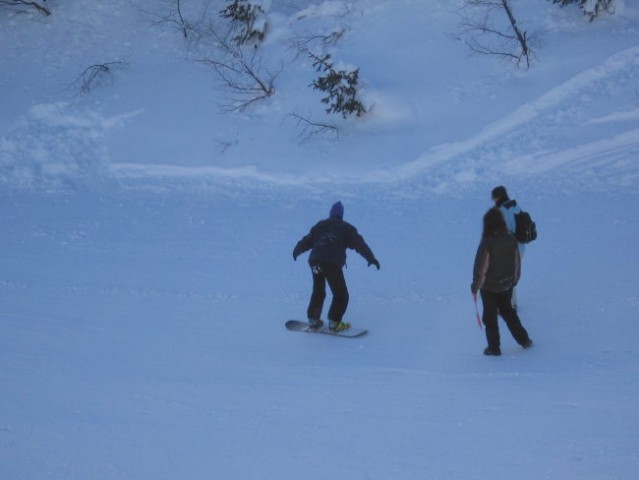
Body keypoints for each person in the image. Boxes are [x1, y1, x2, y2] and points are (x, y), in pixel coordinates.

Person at [293, 201, 380, 332]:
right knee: (341, 295)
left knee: (319, 291)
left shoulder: (320, 225)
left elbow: (307, 240)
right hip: (330, 263)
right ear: (341, 215)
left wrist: (297, 250)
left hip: (315, 261)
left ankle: (313, 320)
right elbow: (359, 244)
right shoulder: (346, 228)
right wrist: (370, 258)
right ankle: (334, 322)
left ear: (331, 214)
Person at [471, 207, 532, 356]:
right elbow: (516, 262)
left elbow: (482, 268)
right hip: (507, 285)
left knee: (490, 318)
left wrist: (475, 286)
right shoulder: (511, 239)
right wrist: (514, 281)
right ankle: (524, 340)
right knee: (509, 313)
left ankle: (494, 348)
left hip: (489, 288)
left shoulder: (487, 243)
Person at [491, 185, 525, 309]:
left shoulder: (501, 211)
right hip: (521, 247)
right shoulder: (516, 206)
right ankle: (512, 303)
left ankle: (507, 305)